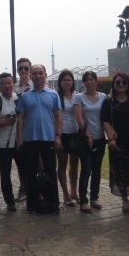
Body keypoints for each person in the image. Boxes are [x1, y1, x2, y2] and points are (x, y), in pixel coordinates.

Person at [16, 64, 62, 214]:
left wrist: (58, 135)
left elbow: (58, 116)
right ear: (30, 76)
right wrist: (19, 138)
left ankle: (53, 203)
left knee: (51, 171)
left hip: (48, 138)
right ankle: (32, 204)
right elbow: (21, 118)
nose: (37, 76)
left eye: (40, 73)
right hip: (30, 139)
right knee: (30, 173)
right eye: (34, 73)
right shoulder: (25, 96)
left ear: (45, 75)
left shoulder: (53, 95)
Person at [102, 72, 129, 213]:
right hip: (118, 142)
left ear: (128, 84)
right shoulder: (109, 102)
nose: (121, 85)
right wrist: (110, 138)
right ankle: (125, 199)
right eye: (118, 82)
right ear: (113, 85)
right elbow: (106, 121)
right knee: (120, 171)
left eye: (124, 82)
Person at [74, 71, 108, 213]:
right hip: (85, 139)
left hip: (100, 138)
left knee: (97, 170)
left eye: (92, 79)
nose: (89, 82)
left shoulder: (103, 97)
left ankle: (94, 197)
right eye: (87, 80)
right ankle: (83, 200)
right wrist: (87, 134)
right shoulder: (79, 97)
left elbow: (106, 116)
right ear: (84, 82)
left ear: (96, 81)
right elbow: (79, 117)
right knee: (86, 169)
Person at [0, 72, 19, 211]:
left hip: (19, 141)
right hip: (2, 143)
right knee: (5, 174)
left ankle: (29, 195)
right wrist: (6, 122)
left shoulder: (18, 98)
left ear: (13, 84)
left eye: (9, 83)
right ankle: (9, 201)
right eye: (4, 83)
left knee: (24, 170)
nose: (7, 86)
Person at [56, 70, 79, 206]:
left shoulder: (77, 95)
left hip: (75, 133)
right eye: (64, 80)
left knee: (74, 164)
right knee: (62, 164)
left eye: (69, 80)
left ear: (72, 81)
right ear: (60, 82)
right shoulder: (56, 96)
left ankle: (74, 191)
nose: (66, 82)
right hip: (62, 132)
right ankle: (65, 194)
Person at [13, 57, 32, 202]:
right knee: (21, 162)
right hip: (19, 129)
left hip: (34, 128)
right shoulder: (13, 87)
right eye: (21, 68)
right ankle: (23, 187)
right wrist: (22, 95)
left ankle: (37, 187)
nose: (23, 70)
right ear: (17, 70)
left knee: (37, 161)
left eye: (26, 68)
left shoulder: (37, 84)